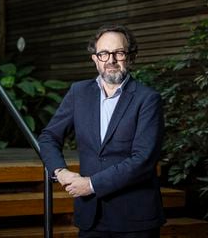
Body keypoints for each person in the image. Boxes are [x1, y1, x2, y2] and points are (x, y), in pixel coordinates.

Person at [38, 23, 165, 238]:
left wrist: (91, 184)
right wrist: (60, 172)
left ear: (131, 57)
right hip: (91, 216)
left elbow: (143, 159)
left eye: (119, 53)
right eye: (104, 53)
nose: (111, 61)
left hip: (135, 218)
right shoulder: (78, 92)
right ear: (95, 59)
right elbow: (49, 136)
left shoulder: (148, 99)